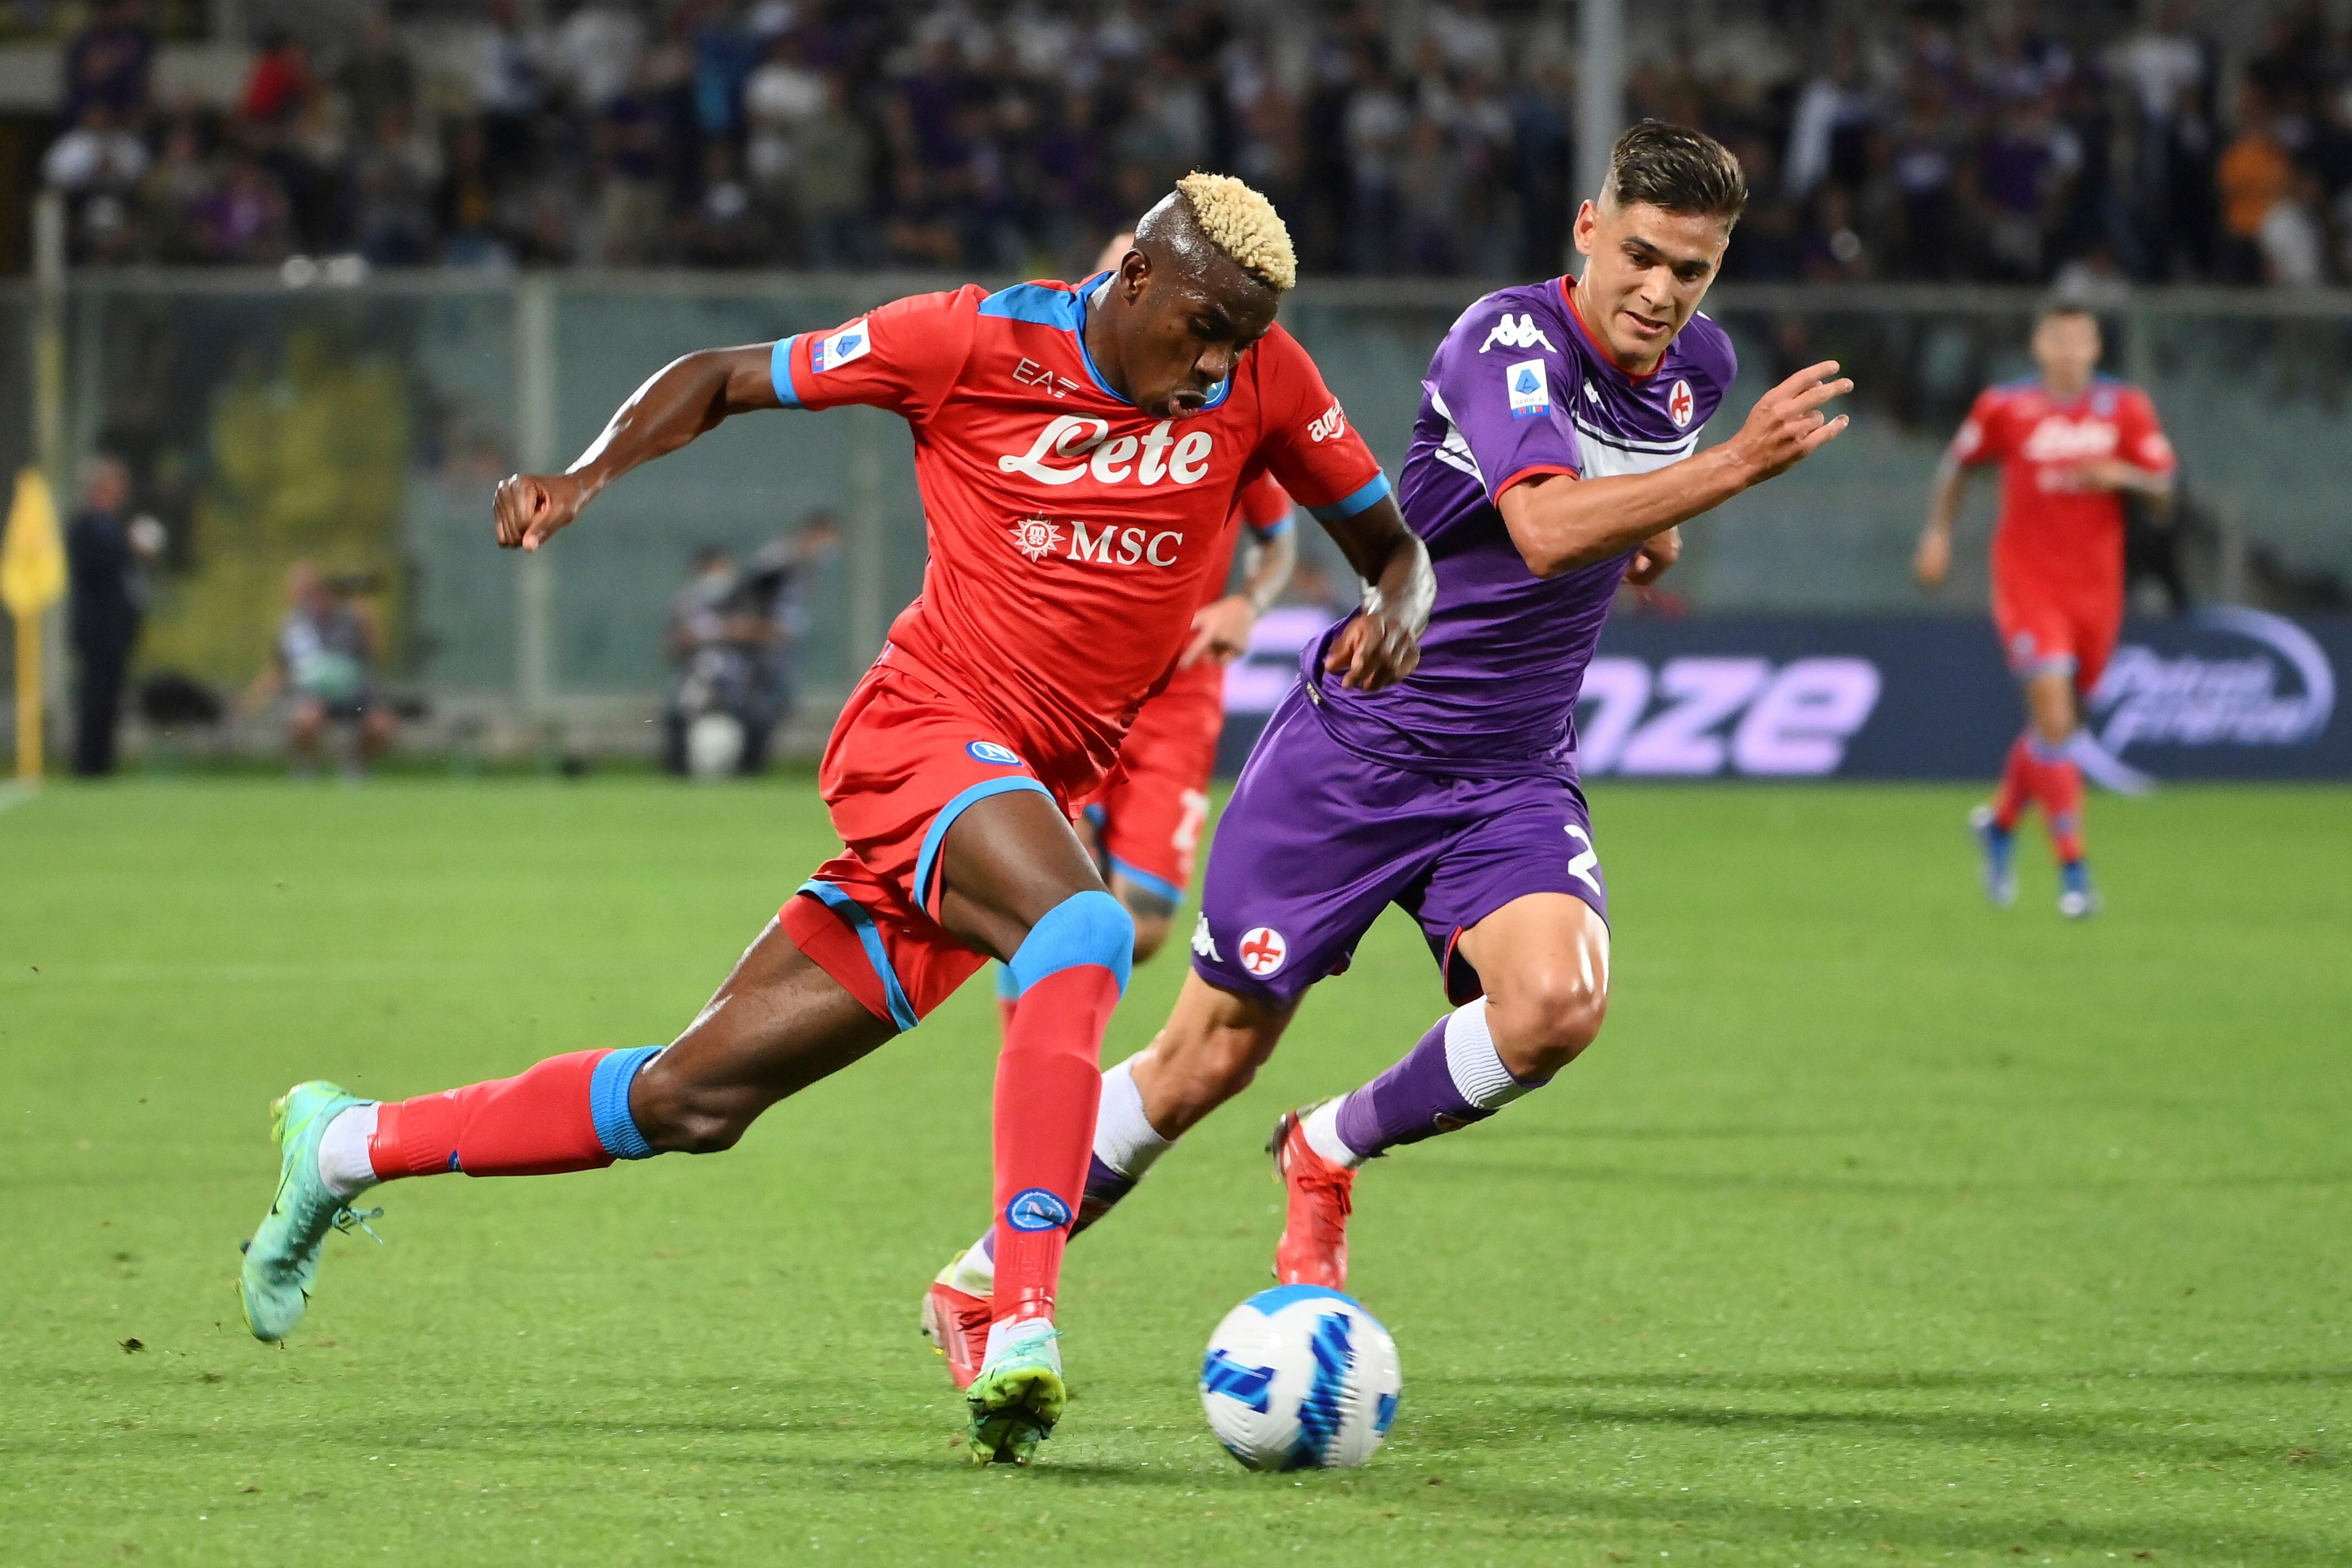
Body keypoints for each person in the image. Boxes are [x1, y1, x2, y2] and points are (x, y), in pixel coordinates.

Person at [234, 174, 1433, 1467]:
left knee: (691, 1099)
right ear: (1135, 277)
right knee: (1083, 926)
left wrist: (1395, 612)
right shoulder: (967, 341)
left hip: (1019, 794)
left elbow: (1394, 547)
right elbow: (719, 374)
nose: (1214, 365)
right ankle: (1015, 1314)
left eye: (1236, 342)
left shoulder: (1259, 381)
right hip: (920, 735)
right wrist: (583, 478)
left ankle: (344, 1142)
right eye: (1201, 327)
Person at [923, 122, 1852, 1356]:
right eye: (1640, 256)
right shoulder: (1505, 340)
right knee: (1203, 1063)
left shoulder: (1698, 371)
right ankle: (981, 1279)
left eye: (1693, 270)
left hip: (1512, 769)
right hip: (1356, 753)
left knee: (1555, 1008)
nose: (1660, 292)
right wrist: (1728, 473)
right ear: (1588, 230)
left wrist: (1659, 525)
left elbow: (1622, 508)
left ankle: (1328, 1147)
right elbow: (1539, 528)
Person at [1915, 301, 2176, 918]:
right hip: (2029, 586)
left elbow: (2165, 493)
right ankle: (2074, 872)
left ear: (2094, 349)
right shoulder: (2006, 407)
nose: (2067, 351)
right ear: (2039, 346)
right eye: (2057, 339)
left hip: (2097, 592)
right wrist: (1937, 534)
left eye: (2079, 340)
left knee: (2053, 730)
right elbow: (1956, 467)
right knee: (2056, 719)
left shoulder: (2125, 409)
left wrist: (2123, 476)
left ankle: (2000, 824)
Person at [241, 563, 395, 777]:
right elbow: (279, 668)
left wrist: (368, 620)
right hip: (314, 694)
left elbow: (377, 654)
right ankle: (306, 769)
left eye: (309, 589)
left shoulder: (352, 618)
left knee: (380, 725)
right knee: (306, 719)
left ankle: (356, 768)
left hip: (354, 693)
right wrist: (252, 699)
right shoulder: (293, 628)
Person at [65, 454, 158, 777]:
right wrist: (127, 550)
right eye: (116, 484)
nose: (122, 491)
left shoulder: (115, 525)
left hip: (119, 630)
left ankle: (104, 763)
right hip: (96, 629)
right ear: (100, 487)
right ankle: (87, 765)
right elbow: (90, 569)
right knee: (94, 694)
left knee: (112, 697)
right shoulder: (84, 525)